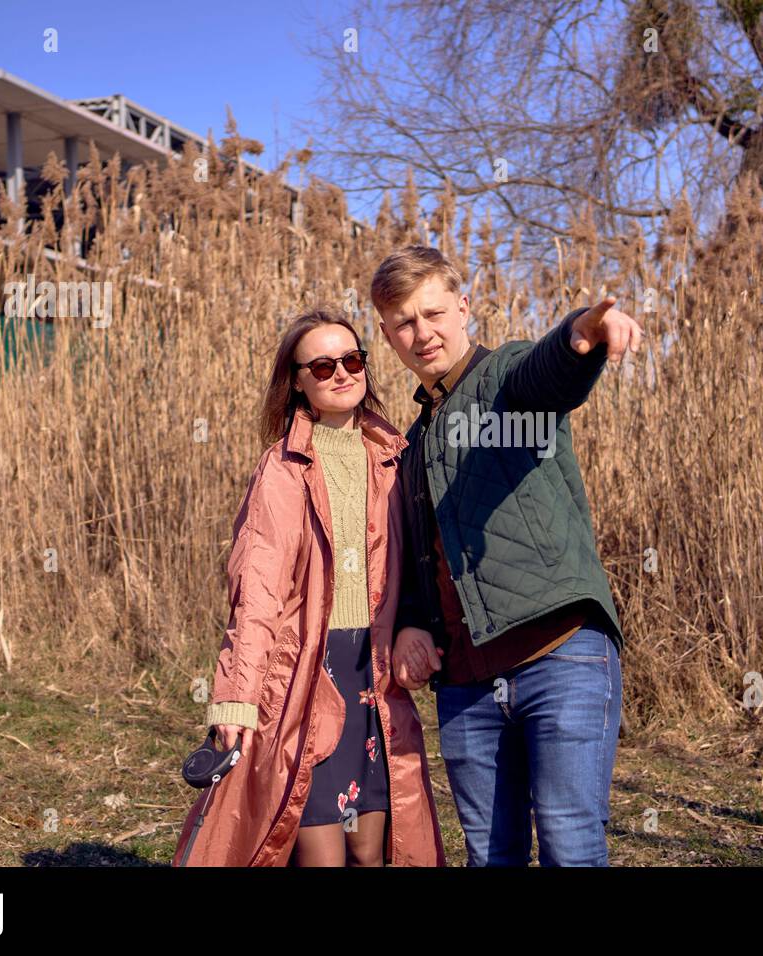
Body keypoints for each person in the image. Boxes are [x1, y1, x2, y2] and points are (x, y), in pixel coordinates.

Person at [372, 246, 642, 866]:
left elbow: (546, 376)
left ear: (463, 307)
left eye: (433, 313)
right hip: (467, 682)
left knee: (571, 846)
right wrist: (412, 621)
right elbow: (417, 558)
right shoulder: (410, 447)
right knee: (491, 857)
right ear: (387, 335)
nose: (422, 333)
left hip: (562, 655)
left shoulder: (502, 381)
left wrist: (581, 334)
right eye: (404, 323)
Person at [171, 310, 445, 867]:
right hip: (305, 675)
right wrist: (237, 696)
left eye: (352, 360)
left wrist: (425, 630)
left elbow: (421, 566)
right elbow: (258, 593)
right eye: (322, 366)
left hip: (374, 671)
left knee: (370, 848)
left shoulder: (395, 458)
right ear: (297, 380)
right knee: (320, 846)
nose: (341, 373)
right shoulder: (282, 467)